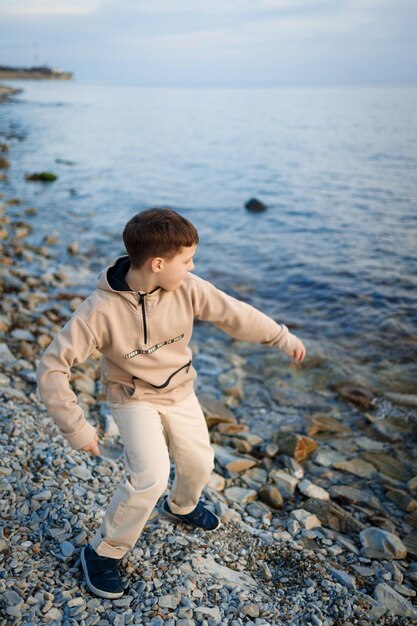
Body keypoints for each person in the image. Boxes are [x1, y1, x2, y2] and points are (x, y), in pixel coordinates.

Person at [36, 207, 306, 599]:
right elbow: (51, 366)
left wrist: (280, 336)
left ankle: (181, 507)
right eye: (188, 259)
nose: (193, 265)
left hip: (180, 390)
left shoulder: (188, 288)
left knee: (200, 464)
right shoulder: (98, 312)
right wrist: (76, 426)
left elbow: (236, 315)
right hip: (132, 398)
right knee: (150, 476)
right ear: (158, 263)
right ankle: (102, 552)